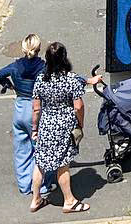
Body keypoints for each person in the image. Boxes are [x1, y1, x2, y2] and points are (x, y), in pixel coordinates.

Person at [29, 42, 98, 213]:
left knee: (40, 163)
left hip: (46, 125)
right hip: (64, 126)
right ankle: (69, 201)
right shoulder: (70, 79)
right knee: (63, 164)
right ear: (64, 58)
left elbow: (36, 108)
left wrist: (35, 129)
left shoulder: (40, 79)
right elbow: (78, 106)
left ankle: (36, 199)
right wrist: (80, 124)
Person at [0, 34, 45, 195]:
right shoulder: (43, 67)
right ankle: (42, 186)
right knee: (41, 150)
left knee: (21, 150)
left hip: (20, 108)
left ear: (23, 49)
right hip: (36, 109)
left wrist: (8, 85)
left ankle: (24, 186)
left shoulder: (16, 66)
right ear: (39, 48)